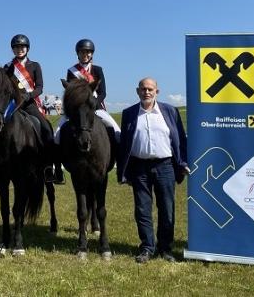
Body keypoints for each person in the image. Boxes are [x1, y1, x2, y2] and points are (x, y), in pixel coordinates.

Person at [116, 77, 188, 263]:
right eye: (143, 89)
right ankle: (147, 247)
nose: (146, 92)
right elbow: (124, 144)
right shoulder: (129, 113)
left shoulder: (170, 112)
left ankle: (165, 248)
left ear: (157, 91)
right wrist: (124, 170)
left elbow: (180, 138)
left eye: (150, 89)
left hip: (165, 166)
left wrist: (183, 162)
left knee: (167, 209)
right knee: (142, 209)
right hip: (139, 167)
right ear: (137, 91)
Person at [0, 34, 55, 184]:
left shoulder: (35, 66)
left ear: (27, 49)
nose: (19, 49)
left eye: (22, 47)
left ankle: (48, 168)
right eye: (16, 47)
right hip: (12, 106)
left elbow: (39, 87)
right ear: (13, 49)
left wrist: (29, 95)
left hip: (30, 104)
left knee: (46, 128)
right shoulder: (7, 67)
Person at [54, 39, 122, 183]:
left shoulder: (97, 70)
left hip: (96, 108)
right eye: (82, 52)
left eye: (88, 52)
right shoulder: (71, 71)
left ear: (92, 54)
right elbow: (71, 93)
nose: (85, 54)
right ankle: (57, 170)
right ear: (78, 53)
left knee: (117, 131)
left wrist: (94, 103)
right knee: (57, 134)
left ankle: (121, 168)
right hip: (77, 110)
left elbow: (103, 92)